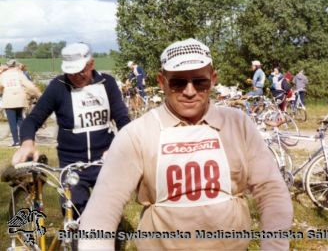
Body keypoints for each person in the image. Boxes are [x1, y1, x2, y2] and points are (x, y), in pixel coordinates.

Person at [78, 38, 292, 250]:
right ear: (162, 82)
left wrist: (274, 246)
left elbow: (271, 191)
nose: (190, 92)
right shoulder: (136, 134)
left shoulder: (238, 124)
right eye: (178, 82)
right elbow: (103, 208)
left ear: (213, 79)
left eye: (200, 82)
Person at [12, 42, 130, 218]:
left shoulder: (108, 83)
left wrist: (121, 145)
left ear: (91, 64)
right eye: (71, 72)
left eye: (81, 71)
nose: (76, 76)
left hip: (106, 160)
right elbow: (33, 119)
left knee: (109, 217)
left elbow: (123, 119)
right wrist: (27, 144)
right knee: (75, 218)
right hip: (72, 164)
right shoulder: (58, 86)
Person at [0, 59, 41, 146]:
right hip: (20, 99)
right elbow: (29, 85)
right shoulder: (19, 74)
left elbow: (0, 86)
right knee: (20, 120)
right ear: (15, 65)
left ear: (7, 66)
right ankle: (24, 139)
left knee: (12, 122)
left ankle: (16, 141)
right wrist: (38, 94)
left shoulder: (3, 75)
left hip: (9, 100)